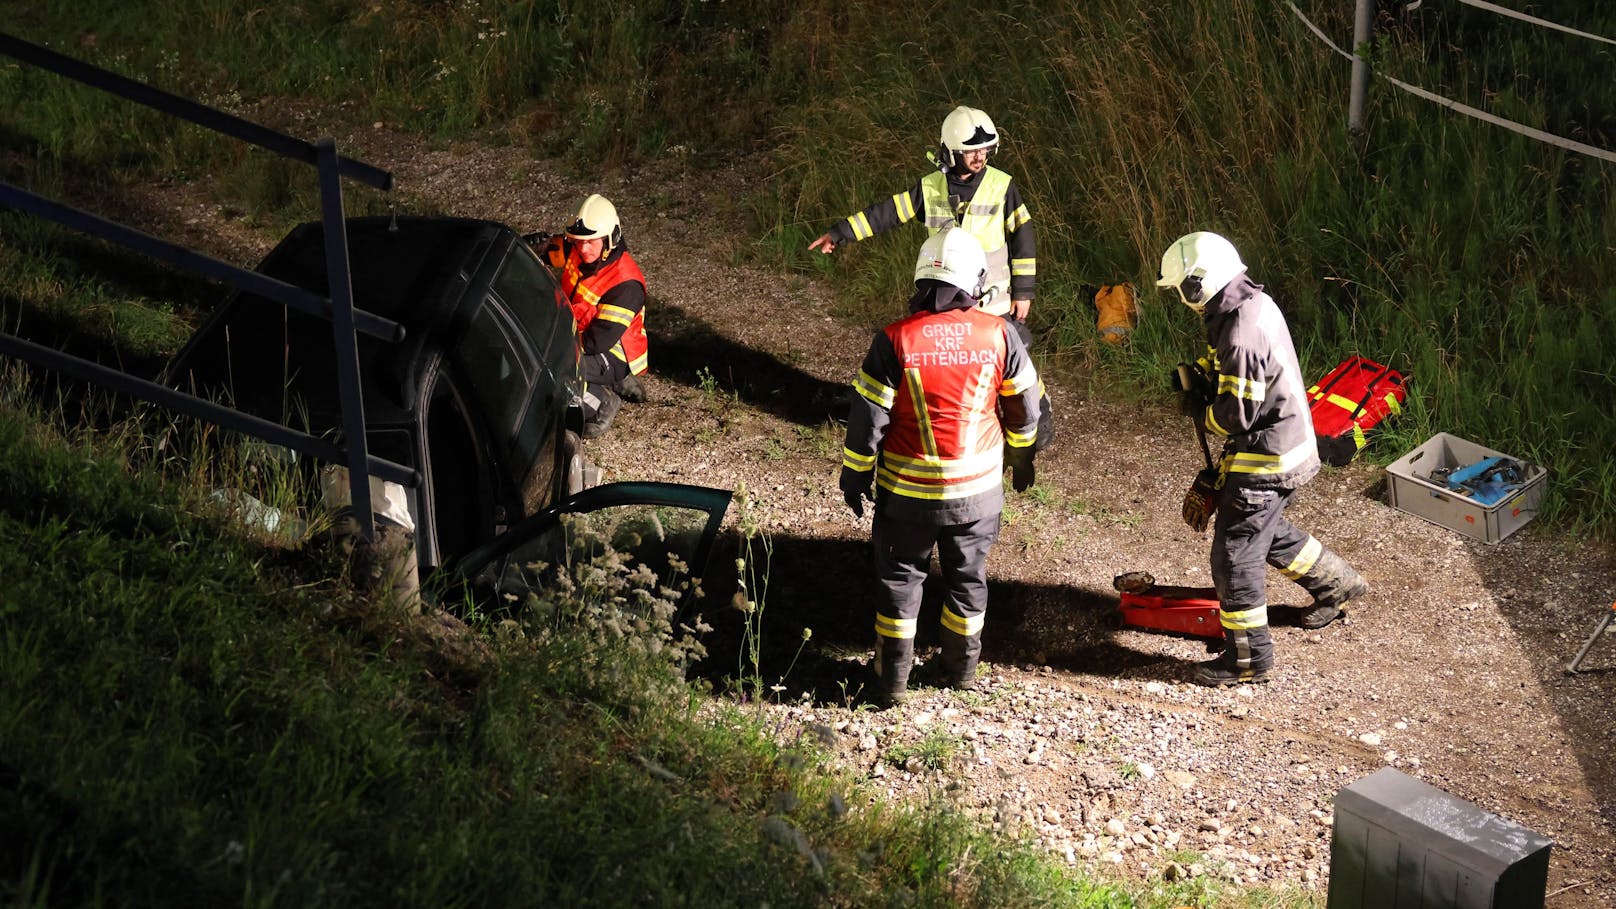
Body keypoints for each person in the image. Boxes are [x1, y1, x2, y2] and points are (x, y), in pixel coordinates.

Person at [1156, 231, 1370, 687]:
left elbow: (1236, 416)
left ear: (1197, 285)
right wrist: (1206, 375)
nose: (1181, 299)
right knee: (1261, 530)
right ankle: (1337, 583)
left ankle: (1249, 658)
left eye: (1180, 290)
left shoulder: (1240, 332)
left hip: (1268, 458)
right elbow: (1242, 377)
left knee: (1234, 554)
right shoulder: (1249, 304)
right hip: (1288, 443)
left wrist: (1203, 410)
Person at [839, 227, 1041, 707]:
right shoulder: (1001, 334)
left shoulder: (894, 339)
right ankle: (960, 669)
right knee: (968, 577)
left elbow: (868, 418)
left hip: (906, 494)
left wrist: (855, 474)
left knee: (900, 580)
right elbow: (1025, 411)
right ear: (974, 281)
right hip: (977, 495)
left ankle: (891, 682)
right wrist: (1022, 457)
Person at [810, 105, 1053, 451]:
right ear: (952, 150)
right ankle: (950, 430)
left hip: (993, 301)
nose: (980, 156)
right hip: (945, 301)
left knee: (1013, 363)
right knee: (947, 366)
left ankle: (1037, 425)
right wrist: (840, 233)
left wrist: (1024, 291)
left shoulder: (1003, 186)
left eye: (985, 149)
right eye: (972, 150)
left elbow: (1023, 234)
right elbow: (889, 213)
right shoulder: (930, 188)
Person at [537, 194, 650, 439]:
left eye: (590, 242)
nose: (583, 249)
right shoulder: (579, 247)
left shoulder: (625, 284)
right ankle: (614, 381)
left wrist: (555, 347)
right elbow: (547, 251)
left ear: (611, 238)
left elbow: (596, 341)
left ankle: (601, 404)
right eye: (578, 241)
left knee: (557, 369)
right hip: (581, 330)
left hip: (612, 350)